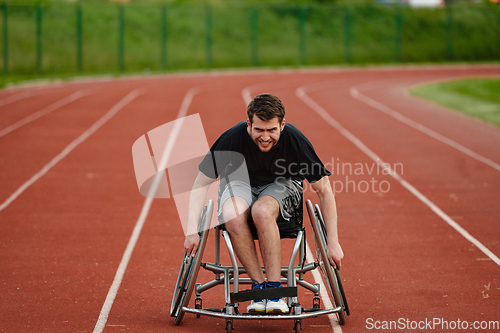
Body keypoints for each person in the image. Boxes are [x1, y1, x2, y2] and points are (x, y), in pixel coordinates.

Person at [184, 93, 343, 315]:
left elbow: (324, 191)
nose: (265, 137)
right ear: (248, 124)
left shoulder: (295, 140)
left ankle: (275, 291)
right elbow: (201, 182)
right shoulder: (232, 138)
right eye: (259, 130)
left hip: (282, 184)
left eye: (272, 130)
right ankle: (259, 289)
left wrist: (332, 242)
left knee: (261, 210)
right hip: (240, 183)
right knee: (231, 212)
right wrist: (192, 230)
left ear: (282, 125)